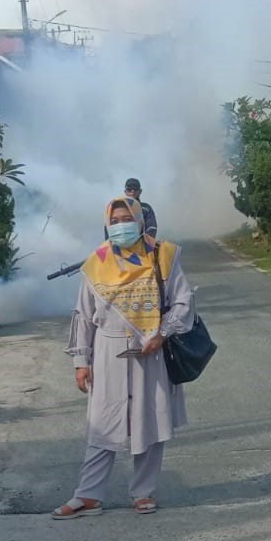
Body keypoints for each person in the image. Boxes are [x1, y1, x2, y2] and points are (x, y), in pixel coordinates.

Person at [54, 196, 195, 519]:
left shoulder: (162, 256)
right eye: (114, 220)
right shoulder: (96, 262)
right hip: (107, 351)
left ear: (140, 219)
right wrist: (81, 361)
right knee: (102, 424)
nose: (120, 225)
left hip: (151, 351)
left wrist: (162, 333)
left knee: (150, 421)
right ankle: (88, 495)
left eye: (125, 218)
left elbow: (183, 303)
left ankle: (143, 492)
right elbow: (84, 315)